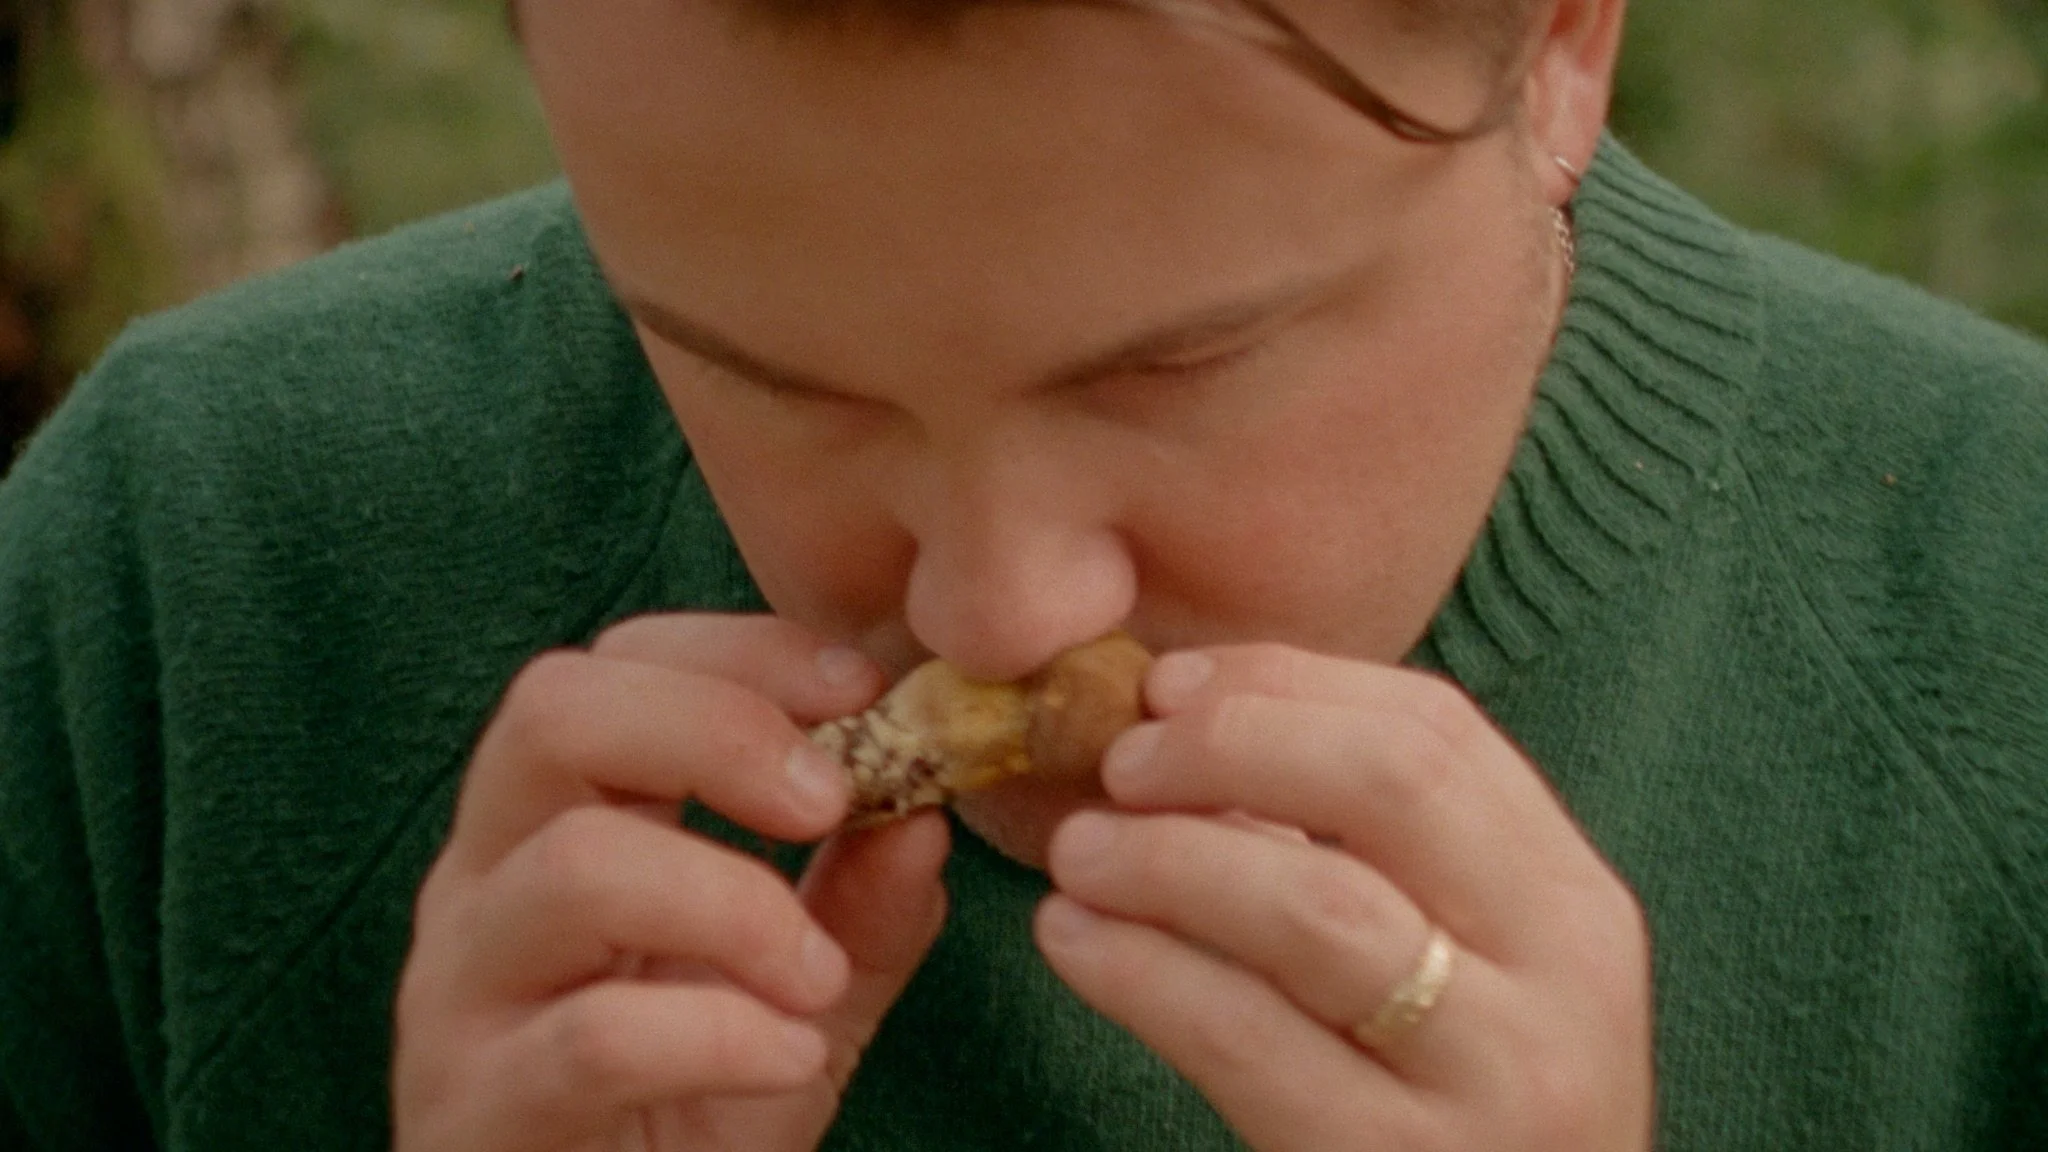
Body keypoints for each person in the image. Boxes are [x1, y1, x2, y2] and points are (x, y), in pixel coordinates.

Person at [1, 0, 2043, 1147]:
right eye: (770, 386)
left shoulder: (1999, 613)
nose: (995, 612)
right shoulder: (182, 578)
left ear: (1562, 44)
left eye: (1179, 370)